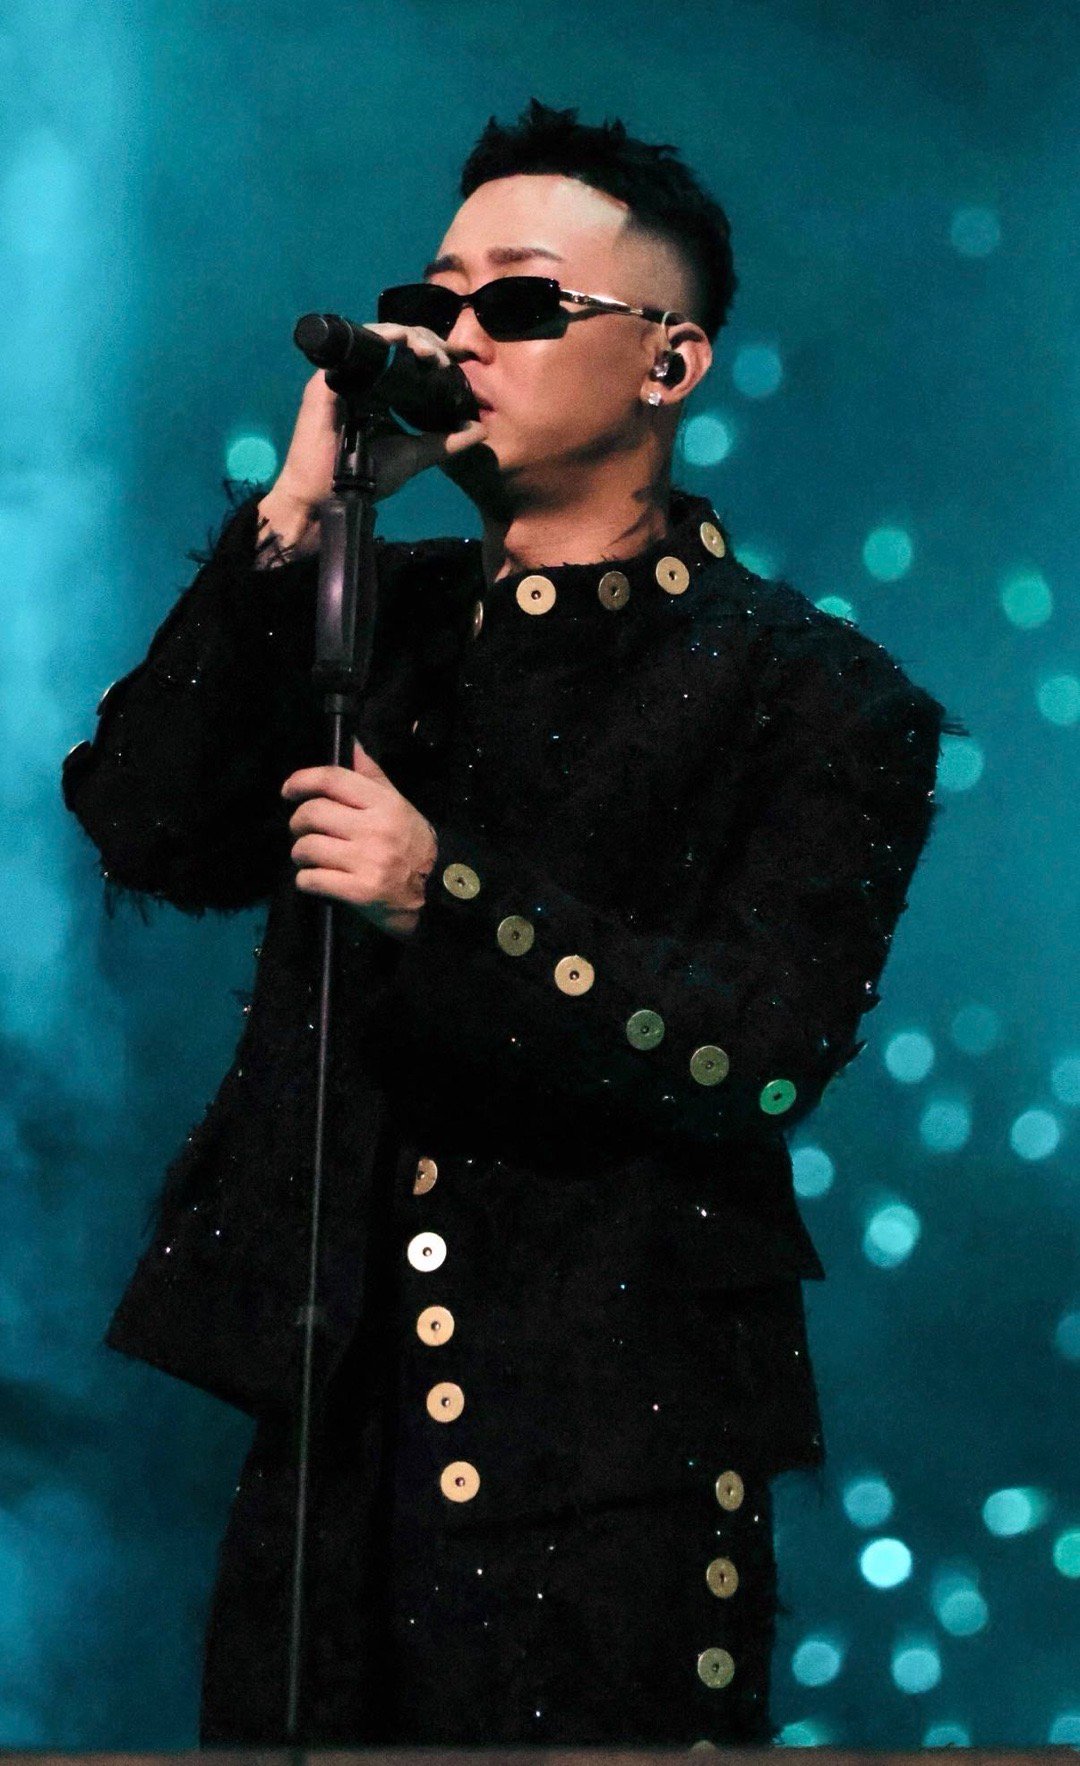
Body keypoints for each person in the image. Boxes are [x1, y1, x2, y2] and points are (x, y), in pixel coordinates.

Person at [61, 98, 964, 1747]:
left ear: (669, 361)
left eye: (524, 301)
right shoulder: (364, 614)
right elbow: (141, 817)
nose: (458, 336)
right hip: (325, 1451)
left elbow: (762, 1049)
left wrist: (447, 899)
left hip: (610, 1475)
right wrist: (300, 510)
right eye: (438, 297)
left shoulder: (819, 698)